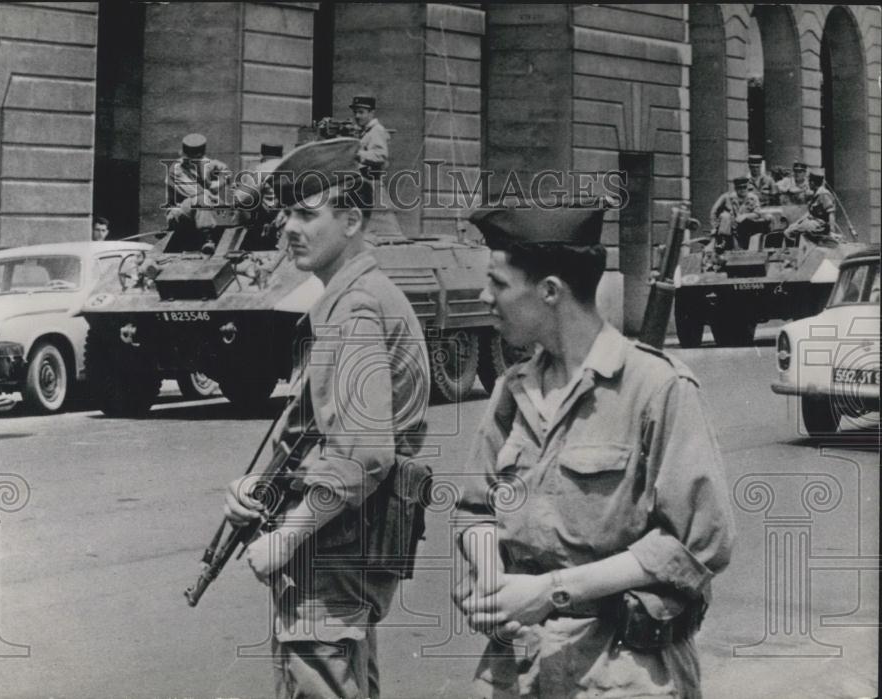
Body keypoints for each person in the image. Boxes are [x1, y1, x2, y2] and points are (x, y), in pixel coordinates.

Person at [452, 203, 734, 698]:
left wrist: (548, 591)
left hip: (621, 670)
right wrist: (494, 584)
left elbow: (699, 542)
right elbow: (476, 508)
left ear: (550, 292)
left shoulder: (658, 389)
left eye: (498, 284)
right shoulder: (512, 390)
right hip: (517, 666)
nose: (484, 297)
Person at [223, 137, 431, 698]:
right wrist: (260, 488)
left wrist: (286, 537)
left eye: (306, 214)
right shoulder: (348, 298)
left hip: (337, 544)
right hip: (344, 541)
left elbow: (363, 453)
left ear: (352, 220)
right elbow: (318, 433)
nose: (289, 227)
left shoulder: (356, 309)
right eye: (285, 212)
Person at [166, 133, 229, 207]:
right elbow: (199, 193)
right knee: (203, 200)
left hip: (202, 204)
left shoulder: (203, 163)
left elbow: (224, 170)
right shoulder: (176, 170)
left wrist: (221, 179)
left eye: (198, 158)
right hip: (179, 210)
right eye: (189, 157)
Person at [783, 172, 837, 244]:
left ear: (812, 183)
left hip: (819, 225)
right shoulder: (815, 193)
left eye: (809, 182)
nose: (808, 184)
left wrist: (832, 231)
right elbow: (809, 213)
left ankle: (803, 249)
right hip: (812, 222)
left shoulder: (823, 194)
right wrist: (797, 223)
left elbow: (831, 212)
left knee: (791, 232)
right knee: (788, 231)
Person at [349, 95, 389, 176]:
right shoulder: (364, 130)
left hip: (371, 181)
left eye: (361, 112)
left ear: (371, 113)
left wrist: (355, 154)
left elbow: (380, 156)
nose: (357, 116)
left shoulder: (376, 130)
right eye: (355, 112)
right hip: (362, 179)